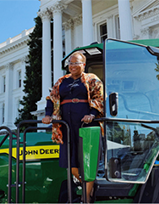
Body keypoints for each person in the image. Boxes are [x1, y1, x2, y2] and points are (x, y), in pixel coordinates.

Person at [42, 51, 104, 202]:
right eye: (70, 63)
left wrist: (92, 114)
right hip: (66, 127)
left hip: (87, 126)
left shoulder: (92, 79)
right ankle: (87, 187)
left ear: (83, 64)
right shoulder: (62, 81)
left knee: (88, 161)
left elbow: (99, 97)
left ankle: (86, 197)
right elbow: (52, 98)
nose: (72, 66)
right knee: (71, 163)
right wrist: (48, 114)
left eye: (75, 63)